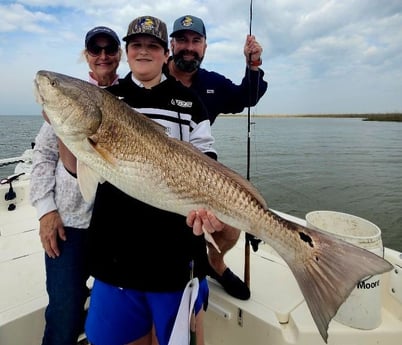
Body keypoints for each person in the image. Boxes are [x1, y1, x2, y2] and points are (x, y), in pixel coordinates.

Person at [80, 16, 217, 345]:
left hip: (175, 260)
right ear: (126, 53)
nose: (144, 51)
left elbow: (208, 162)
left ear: (165, 54)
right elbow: (78, 171)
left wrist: (211, 210)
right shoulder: (106, 99)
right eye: (136, 45)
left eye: (152, 46)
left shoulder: (189, 103)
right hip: (115, 259)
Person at [30, 26, 122, 345]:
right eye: (94, 50)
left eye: (109, 49)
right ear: (86, 55)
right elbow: (42, 155)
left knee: (114, 316)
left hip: (115, 227)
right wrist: (46, 211)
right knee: (64, 313)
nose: (103, 56)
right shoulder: (68, 97)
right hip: (68, 225)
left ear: (119, 54)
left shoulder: (131, 98)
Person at [167, 15, 268, 300]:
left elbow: (245, 97)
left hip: (199, 170)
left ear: (205, 47)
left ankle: (216, 262)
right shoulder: (154, 76)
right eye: (182, 40)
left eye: (195, 41)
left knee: (231, 223)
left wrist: (253, 65)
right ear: (171, 45)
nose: (189, 47)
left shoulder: (212, 83)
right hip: (154, 168)